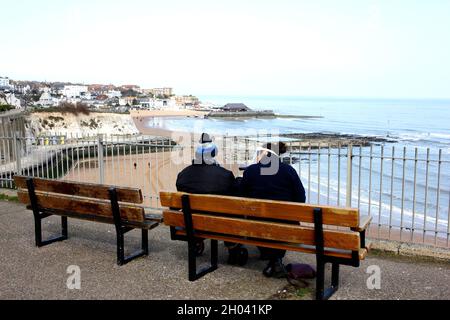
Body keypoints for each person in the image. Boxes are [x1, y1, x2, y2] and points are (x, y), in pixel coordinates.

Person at [176, 133, 247, 264]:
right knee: (233, 214)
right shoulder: (225, 176)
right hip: (219, 224)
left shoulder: (183, 175)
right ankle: (233, 250)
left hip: (191, 222)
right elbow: (235, 194)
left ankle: (196, 242)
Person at [240, 141, 306, 277]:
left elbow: (242, 196)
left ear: (265, 153)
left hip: (255, 225)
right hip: (284, 225)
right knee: (283, 222)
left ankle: (267, 252)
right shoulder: (289, 170)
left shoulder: (250, 170)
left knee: (260, 219)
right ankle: (275, 259)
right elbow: (301, 198)